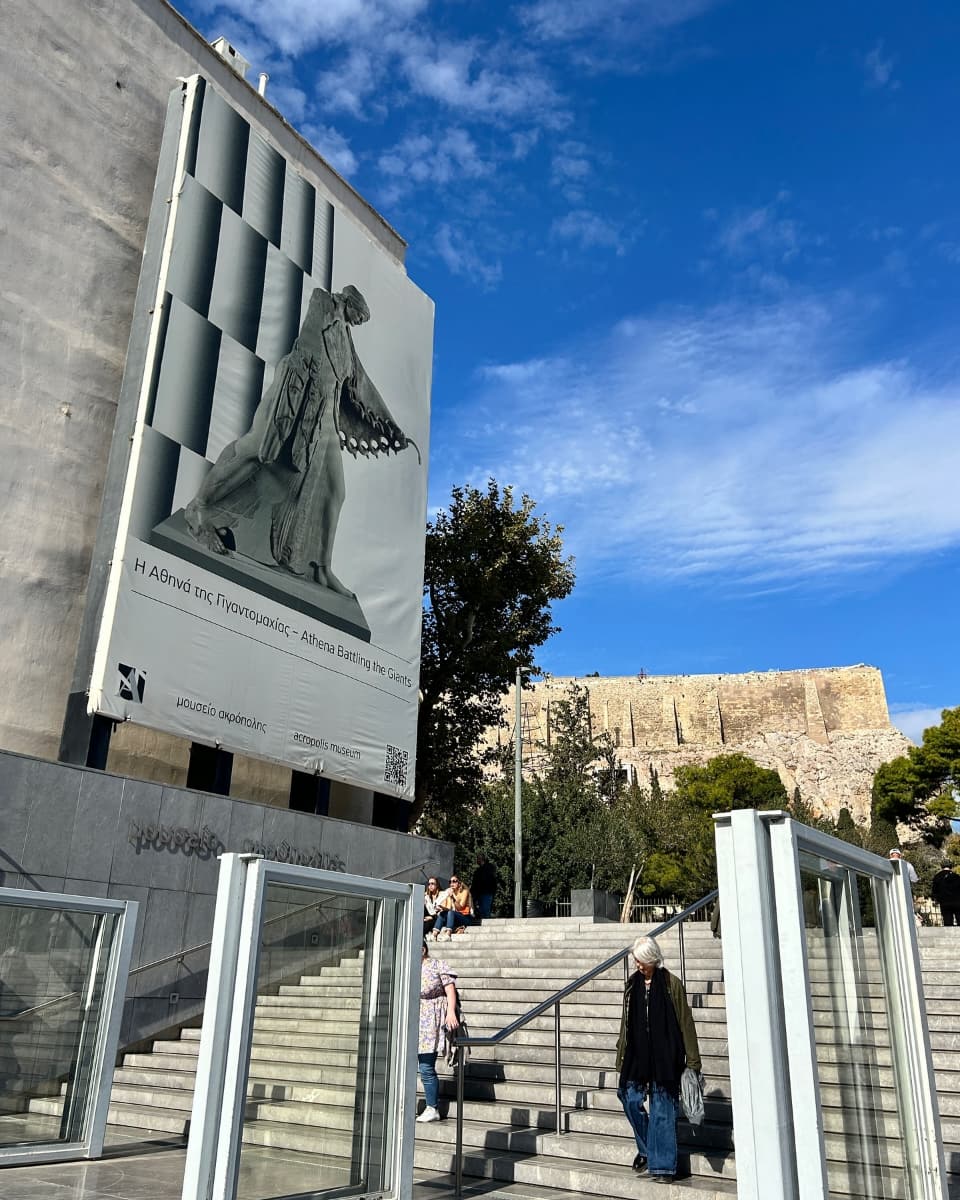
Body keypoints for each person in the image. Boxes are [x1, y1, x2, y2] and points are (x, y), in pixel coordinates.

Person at [184, 284, 419, 597]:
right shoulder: (324, 305)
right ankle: (199, 507)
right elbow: (315, 329)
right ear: (349, 304)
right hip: (293, 393)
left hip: (325, 418)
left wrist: (390, 427)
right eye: (358, 316)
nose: (359, 323)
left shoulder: (345, 340)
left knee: (337, 491)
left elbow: (361, 387)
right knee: (254, 449)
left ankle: (322, 568)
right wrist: (336, 306)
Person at [617, 935, 701, 1184]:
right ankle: (647, 1149)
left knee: (663, 1110)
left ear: (653, 959)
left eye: (641, 960)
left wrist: (693, 1061)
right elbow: (626, 1023)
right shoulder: (632, 985)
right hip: (636, 1054)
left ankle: (663, 1167)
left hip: (665, 1056)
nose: (637, 965)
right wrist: (621, 1052)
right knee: (629, 1099)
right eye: (635, 960)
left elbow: (685, 1022)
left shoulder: (671, 984)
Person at [417, 938, 459, 1122]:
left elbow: (450, 990)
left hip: (432, 1018)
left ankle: (432, 1107)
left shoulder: (436, 964)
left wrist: (451, 1013)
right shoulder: (407, 966)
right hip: (414, 1017)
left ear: (422, 949)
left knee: (426, 1065)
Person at [432, 874, 475, 939]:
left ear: (459, 883)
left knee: (451, 912)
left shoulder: (464, 892)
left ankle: (448, 934)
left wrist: (453, 897)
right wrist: (441, 907)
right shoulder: (449, 891)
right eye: (450, 882)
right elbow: (448, 908)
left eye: (454, 881)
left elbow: (460, 907)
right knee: (443, 913)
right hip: (454, 917)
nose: (452, 883)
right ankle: (434, 934)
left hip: (466, 917)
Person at [471, 853, 497, 920]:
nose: (477, 860)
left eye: (478, 859)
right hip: (482, 893)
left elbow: (491, 881)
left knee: (485, 911)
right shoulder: (479, 871)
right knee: (482, 911)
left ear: (481, 859)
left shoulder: (488, 868)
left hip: (486, 892)